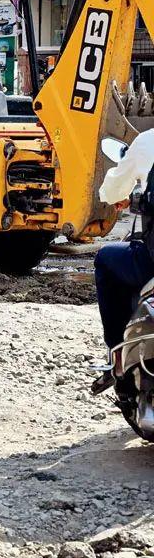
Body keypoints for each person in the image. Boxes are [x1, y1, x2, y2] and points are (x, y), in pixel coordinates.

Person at [94, 130, 154, 390]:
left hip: (150, 263)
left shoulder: (146, 141)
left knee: (105, 260)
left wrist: (120, 196)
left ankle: (117, 352)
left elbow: (111, 190)